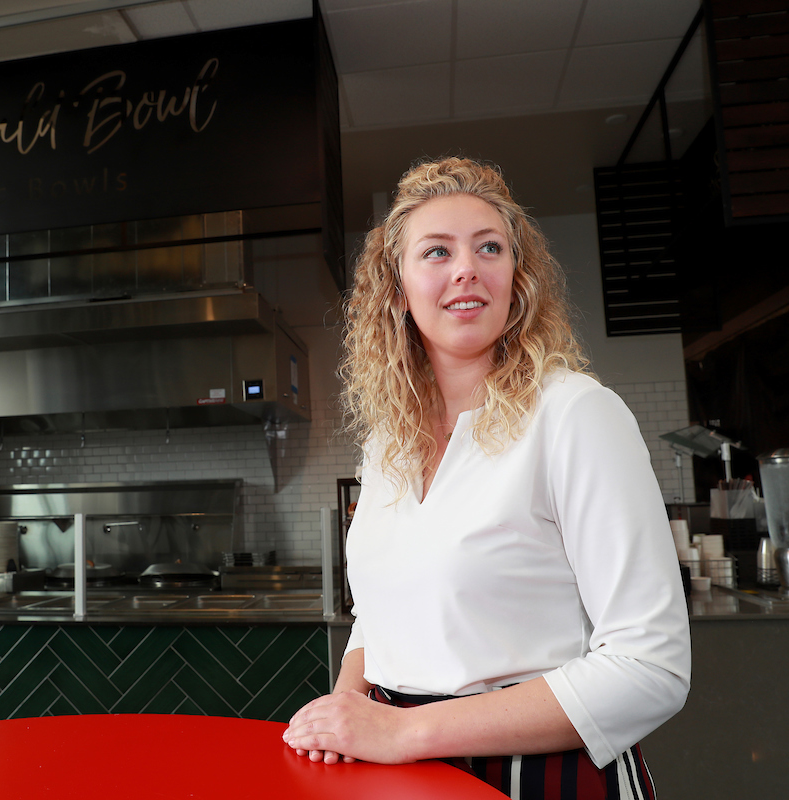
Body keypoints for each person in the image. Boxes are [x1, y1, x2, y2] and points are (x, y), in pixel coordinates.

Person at [282, 157, 691, 799]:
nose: (466, 267)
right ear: (397, 288)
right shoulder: (388, 441)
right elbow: (382, 612)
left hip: (541, 776)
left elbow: (651, 667)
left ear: (516, 278)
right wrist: (347, 710)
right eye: (437, 250)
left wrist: (403, 734)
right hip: (404, 778)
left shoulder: (575, 413)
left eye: (489, 247)